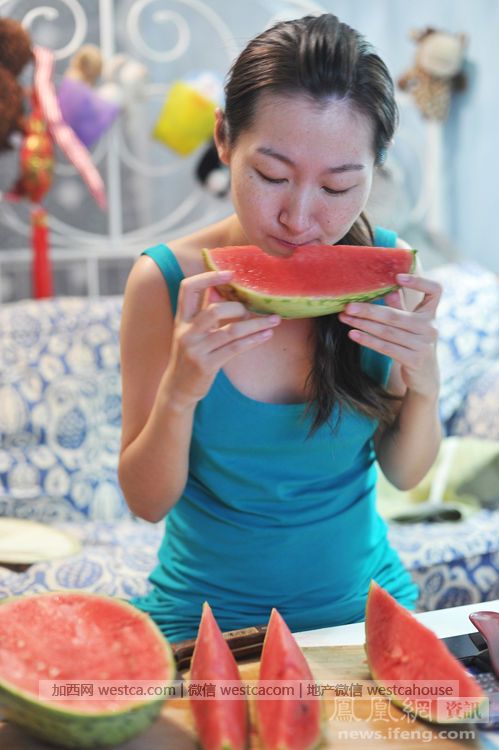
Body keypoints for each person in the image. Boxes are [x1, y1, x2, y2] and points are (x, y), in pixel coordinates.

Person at [119, 13, 442, 643]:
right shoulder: (163, 283)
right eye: (272, 176)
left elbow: (405, 474)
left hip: (368, 609)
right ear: (224, 139)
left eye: (338, 186)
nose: (299, 217)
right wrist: (181, 392)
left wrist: (426, 385)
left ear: (374, 168)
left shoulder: (391, 269)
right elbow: (146, 503)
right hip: (205, 623)